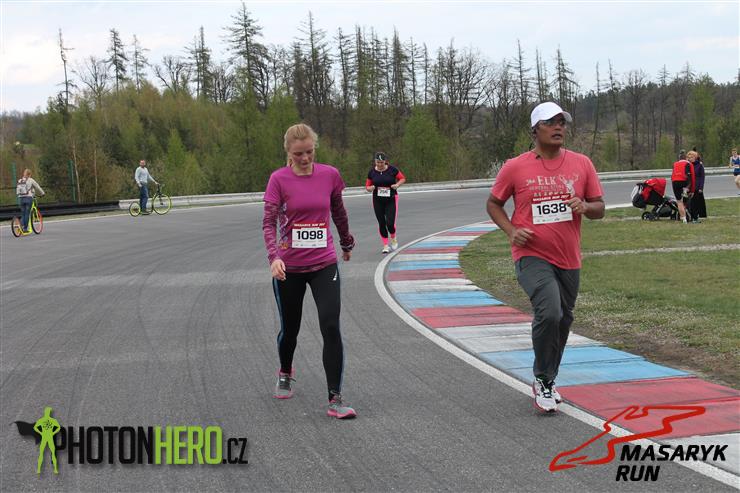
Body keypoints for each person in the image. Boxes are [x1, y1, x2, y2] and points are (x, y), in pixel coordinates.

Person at [486, 102, 605, 412]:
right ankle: (542, 378)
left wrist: (585, 206)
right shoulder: (515, 167)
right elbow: (494, 204)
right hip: (531, 254)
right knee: (550, 311)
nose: (559, 127)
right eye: (551, 122)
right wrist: (511, 231)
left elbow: (599, 208)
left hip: (569, 257)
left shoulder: (582, 163)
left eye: (562, 122)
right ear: (535, 129)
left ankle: (549, 378)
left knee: (563, 319)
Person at [262, 123, 357, 419]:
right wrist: (274, 258)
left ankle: (335, 398)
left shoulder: (330, 175)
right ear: (288, 152)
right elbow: (268, 222)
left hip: (324, 263)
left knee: (330, 325)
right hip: (288, 268)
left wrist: (346, 242)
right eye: (298, 154)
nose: (305, 158)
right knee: (290, 329)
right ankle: (285, 371)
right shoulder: (278, 179)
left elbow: (338, 211)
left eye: (309, 152)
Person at [365, 152, 406, 253]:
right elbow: (367, 187)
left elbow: (402, 178)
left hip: (391, 199)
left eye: (382, 162)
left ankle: (393, 237)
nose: (380, 164)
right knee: (381, 223)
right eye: (378, 162)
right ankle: (385, 245)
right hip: (377, 200)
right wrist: (370, 188)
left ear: (385, 161)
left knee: (390, 223)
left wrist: (397, 185)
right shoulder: (372, 172)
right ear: (375, 162)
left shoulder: (392, 170)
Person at [670, 150, 695, 223]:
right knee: (686, 200)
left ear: (679, 158)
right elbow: (692, 177)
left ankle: (683, 219)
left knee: (679, 202)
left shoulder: (675, 164)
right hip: (685, 183)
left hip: (675, 182)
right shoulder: (689, 164)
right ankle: (688, 216)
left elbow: (672, 175)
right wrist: (692, 190)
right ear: (686, 158)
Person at [690, 150, 706, 221]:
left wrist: (701, 188)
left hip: (697, 186)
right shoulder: (688, 165)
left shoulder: (700, 165)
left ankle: (696, 217)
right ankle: (691, 216)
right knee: (690, 202)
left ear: (695, 157)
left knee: (697, 202)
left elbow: (702, 177)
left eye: (691, 157)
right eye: (689, 157)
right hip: (690, 186)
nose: (690, 158)